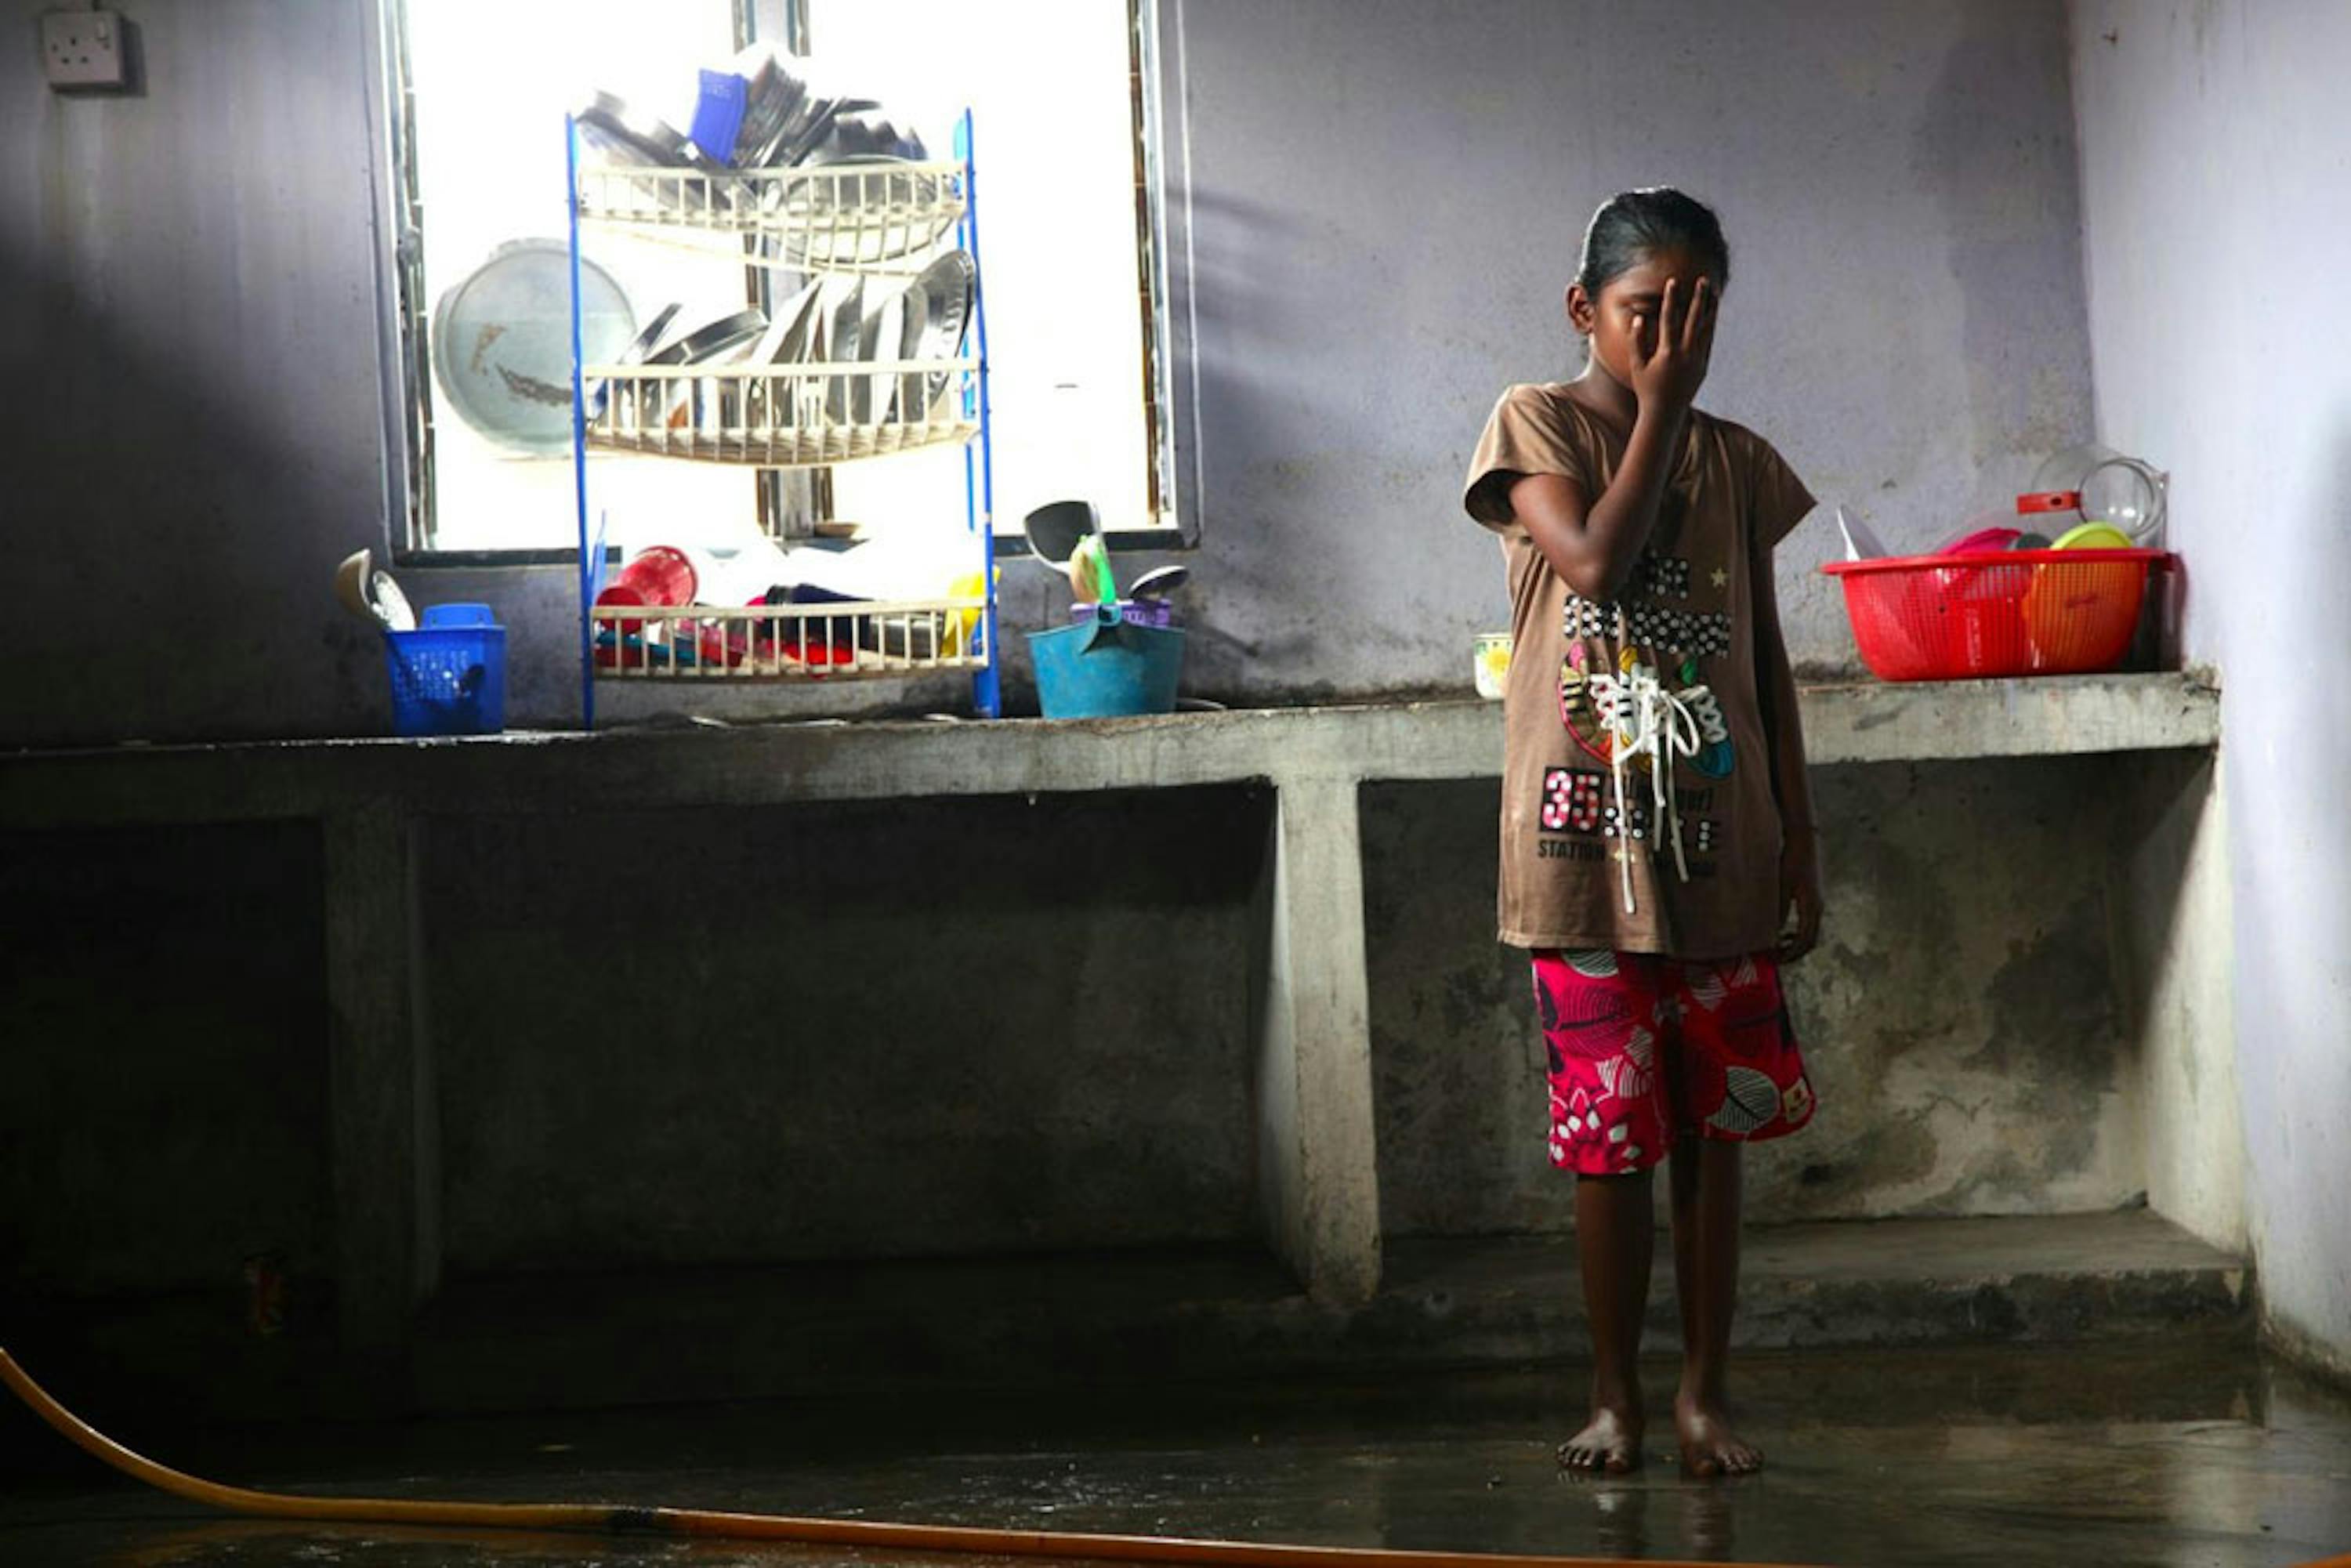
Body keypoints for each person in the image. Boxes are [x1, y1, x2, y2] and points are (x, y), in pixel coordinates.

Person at [1461, 187, 1822, 1477]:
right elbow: (1598, 565)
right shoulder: (1537, 423)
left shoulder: (1735, 458)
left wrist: (1799, 827)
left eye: (1694, 309)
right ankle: (1614, 1393)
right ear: (1584, 312)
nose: (1670, 332)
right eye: (1643, 310)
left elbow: (1765, 657)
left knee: (1715, 1131)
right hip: (1583, 854)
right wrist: (1660, 406)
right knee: (1611, 1139)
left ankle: (1702, 1394)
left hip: (1721, 846)